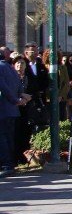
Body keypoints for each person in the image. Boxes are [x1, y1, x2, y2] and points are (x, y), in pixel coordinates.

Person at [0, 48, 30, 177]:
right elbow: (19, 85)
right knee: (8, 137)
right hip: (12, 110)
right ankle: (10, 164)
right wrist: (19, 99)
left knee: (2, 138)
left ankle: (7, 165)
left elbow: (3, 86)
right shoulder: (10, 68)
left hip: (4, 109)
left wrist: (15, 100)